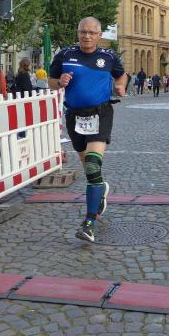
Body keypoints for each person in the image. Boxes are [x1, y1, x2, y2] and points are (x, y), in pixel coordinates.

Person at [48, 17, 126, 243]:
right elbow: (51, 80)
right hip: (74, 116)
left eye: (92, 32)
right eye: (83, 31)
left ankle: (89, 223)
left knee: (92, 164)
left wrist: (121, 86)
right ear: (78, 32)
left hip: (101, 113)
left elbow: (121, 74)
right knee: (89, 168)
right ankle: (100, 192)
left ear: (99, 35)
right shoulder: (65, 55)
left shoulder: (108, 57)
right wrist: (60, 81)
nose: (87, 36)